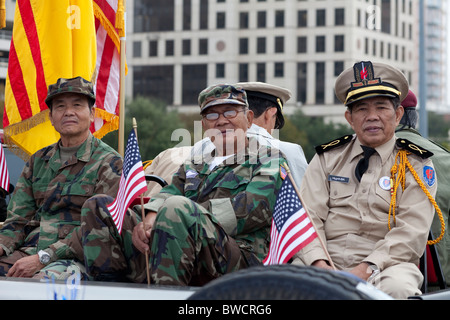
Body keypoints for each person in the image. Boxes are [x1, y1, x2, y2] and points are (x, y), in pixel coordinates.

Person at [78, 84, 287, 285]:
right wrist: (149, 221)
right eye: (212, 115)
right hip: (175, 243)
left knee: (176, 208)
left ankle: (165, 295)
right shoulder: (196, 163)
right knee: (99, 207)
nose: (222, 121)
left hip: (237, 258)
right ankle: (111, 290)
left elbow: (253, 209)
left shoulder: (270, 160)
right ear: (205, 124)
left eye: (230, 112)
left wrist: (181, 215)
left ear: (249, 119)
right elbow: (169, 192)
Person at [293, 61, 437, 299]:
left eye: (381, 107)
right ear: (349, 117)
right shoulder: (327, 158)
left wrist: (365, 269)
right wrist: (319, 264)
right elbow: (307, 218)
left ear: (398, 114)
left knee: (397, 290)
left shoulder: (416, 164)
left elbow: (411, 231)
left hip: (387, 264)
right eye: (361, 109)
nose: (372, 117)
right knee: (283, 285)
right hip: (325, 257)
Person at [0, 76, 123, 279]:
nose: (68, 112)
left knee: (41, 284)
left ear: (92, 114)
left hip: (80, 256)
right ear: (51, 116)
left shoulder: (109, 162)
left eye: (77, 105)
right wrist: (3, 245)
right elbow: (18, 220)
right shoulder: (38, 161)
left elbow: (98, 229)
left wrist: (44, 257)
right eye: (60, 107)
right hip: (31, 249)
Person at [396, 90, 450, 285]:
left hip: (377, 279)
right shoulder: (444, 157)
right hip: (441, 282)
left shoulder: (359, 157)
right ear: (413, 118)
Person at [237, 82, 308, 187]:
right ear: (270, 113)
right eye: (276, 121)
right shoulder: (289, 151)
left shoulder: (206, 145)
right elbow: (302, 195)